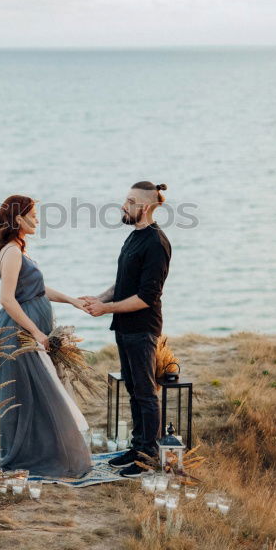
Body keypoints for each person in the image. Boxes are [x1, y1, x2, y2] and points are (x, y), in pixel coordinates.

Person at [0, 195, 92, 478]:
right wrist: (36, 332)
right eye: (33, 215)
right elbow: (7, 300)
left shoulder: (19, 250)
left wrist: (72, 300)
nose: (37, 220)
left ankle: (40, 452)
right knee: (29, 396)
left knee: (37, 395)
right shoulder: (11, 252)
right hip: (19, 336)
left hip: (29, 334)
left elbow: (38, 290)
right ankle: (29, 457)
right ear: (18, 219)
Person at [81, 181, 171, 477]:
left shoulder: (157, 243)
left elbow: (147, 297)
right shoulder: (134, 237)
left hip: (143, 329)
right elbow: (123, 283)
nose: (123, 205)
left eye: (129, 201)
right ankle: (138, 447)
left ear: (144, 207)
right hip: (124, 326)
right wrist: (100, 299)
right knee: (133, 389)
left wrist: (106, 308)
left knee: (145, 392)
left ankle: (149, 456)